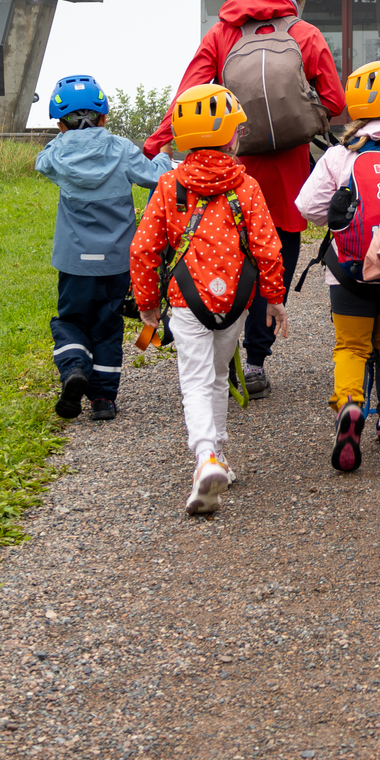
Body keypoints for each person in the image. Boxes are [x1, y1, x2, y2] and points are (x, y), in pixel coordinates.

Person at [142, 0, 344, 399]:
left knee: (230, 252)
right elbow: (333, 99)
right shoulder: (305, 34)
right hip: (289, 168)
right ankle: (256, 359)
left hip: (233, 165)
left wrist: (155, 143)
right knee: (279, 252)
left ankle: (219, 349)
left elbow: (188, 96)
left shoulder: (221, 34)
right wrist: (296, 119)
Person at [131, 86, 289, 516]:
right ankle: (215, 452)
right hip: (234, 302)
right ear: (228, 135)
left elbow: (144, 249)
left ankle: (206, 457)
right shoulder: (247, 186)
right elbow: (267, 248)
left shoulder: (169, 186)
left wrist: (147, 303)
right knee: (219, 376)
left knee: (195, 381)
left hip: (186, 300)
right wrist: (274, 298)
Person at [295, 61, 380, 471]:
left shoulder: (339, 156)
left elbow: (308, 208)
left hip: (347, 272)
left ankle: (351, 403)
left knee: (350, 346)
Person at [35, 74, 173, 423]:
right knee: (107, 327)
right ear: (104, 116)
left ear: (59, 124)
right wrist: (164, 157)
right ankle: (102, 401)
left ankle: (74, 369)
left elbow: (42, 162)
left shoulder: (56, 155)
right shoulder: (122, 149)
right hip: (116, 261)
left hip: (74, 263)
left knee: (70, 321)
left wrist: (65, 140)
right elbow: (156, 178)